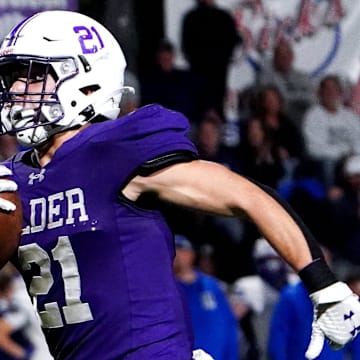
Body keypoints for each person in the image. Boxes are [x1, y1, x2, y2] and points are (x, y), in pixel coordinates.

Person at [0, 9, 359, 360]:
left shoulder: (114, 151)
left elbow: (246, 195)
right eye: (12, 77)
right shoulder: (12, 182)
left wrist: (322, 283)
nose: (16, 88)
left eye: (31, 76)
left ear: (86, 79)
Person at [173, 234, 239, 360]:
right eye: (173, 250)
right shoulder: (166, 289)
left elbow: (229, 323)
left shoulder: (211, 285)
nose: (177, 255)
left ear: (191, 254)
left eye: (181, 250)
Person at [181, 0, 241, 116]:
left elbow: (234, 41)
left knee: (217, 111)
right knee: (198, 112)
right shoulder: (190, 18)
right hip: (198, 75)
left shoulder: (224, 17)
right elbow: (186, 47)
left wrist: (221, 58)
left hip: (218, 75)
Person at [302, 74, 360, 188]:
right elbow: (313, 149)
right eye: (327, 89)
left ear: (340, 92)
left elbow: (358, 139)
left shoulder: (349, 115)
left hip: (352, 158)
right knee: (328, 163)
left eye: (335, 89)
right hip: (329, 162)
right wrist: (341, 154)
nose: (331, 92)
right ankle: (333, 195)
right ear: (320, 93)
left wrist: (352, 154)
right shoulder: (313, 116)